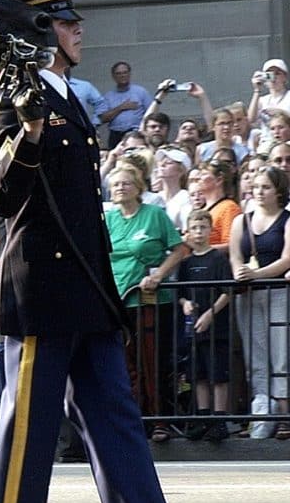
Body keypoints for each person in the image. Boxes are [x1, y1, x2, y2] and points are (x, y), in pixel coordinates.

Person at [0, 0, 228, 503]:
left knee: (118, 421)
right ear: (41, 32)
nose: (78, 29)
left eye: (74, 21)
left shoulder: (66, 96)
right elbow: (1, 195)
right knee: (29, 430)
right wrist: (28, 135)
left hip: (86, 289)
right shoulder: (17, 97)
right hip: (41, 289)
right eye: (65, 23)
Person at [105, 163, 190, 442]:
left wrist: (159, 275)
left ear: (138, 187)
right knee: (124, 365)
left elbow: (180, 249)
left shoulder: (154, 215)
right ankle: (133, 421)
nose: (120, 188)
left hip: (148, 301)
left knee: (152, 362)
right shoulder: (108, 219)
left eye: (125, 183)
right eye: (115, 184)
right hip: (117, 301)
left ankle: (159, 420)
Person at [229, 167, 290, 440]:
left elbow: (287, 259)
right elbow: (234, 256)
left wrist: (257, 274)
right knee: (255, 355)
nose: (259, 192)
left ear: (278, 190)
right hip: (248, 294)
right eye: (256, 187)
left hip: (278, 292)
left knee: (281, 354)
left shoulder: (286, 220)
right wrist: (240, 272)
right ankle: (261, 417)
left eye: (265, 187)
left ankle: (285, 413)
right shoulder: (242, 221)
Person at [176, 209, 232, 443]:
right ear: (188, 231)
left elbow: (227, 291)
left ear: (211, 230)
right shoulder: (186, 263)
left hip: (215, 326)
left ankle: (219, 420)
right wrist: (185, 303)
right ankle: (203, 417)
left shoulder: (218, 259)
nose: (199, 233)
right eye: (194, 228)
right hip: (193, 327)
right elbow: (180, 292)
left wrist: (211, 313)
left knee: (217, 373)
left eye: (203, 227)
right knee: (197, 374)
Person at [101, 61, 153, 148]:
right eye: (118, 73)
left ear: (129, 74)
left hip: (135, 134)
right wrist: (121, 107)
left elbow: (151, 114)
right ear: (113, 76)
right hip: (115, 135)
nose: (122, 75)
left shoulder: (141, 92)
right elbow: (103, 118)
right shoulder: (108, 96)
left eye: (125, 72)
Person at [247, 58, 290, 126]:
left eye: (277, 74)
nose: (274, 77)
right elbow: (251, 120)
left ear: (285, 77)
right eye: (269, 75)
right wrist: (257, 90)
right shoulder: (262, 100)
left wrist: (281, 113)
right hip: (266, 136)